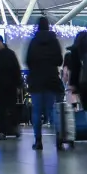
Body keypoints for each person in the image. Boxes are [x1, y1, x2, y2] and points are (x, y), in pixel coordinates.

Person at [25, 18, 64, 150]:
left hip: (36, 80)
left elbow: (28, 61)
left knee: (36, 111)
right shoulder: (54, 41)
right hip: (51, 79)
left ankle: (38, 141)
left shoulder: (33, 42)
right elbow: (59, 60)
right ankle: (59, 140)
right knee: (52, 111)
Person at [0, 36, 22, 140]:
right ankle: (9, 130)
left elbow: (16, 70)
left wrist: (18, 84)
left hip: (4, 86)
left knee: (4, 110)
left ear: (0, 42)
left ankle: (4, 131)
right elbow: (17, 69)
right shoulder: (9, 54)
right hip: (7, 86)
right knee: (7, 109)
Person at [65, 30, 87, 110]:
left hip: (84, 85)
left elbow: (75, 68)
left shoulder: (76, 52)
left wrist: (73, 84)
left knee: (86, 107)